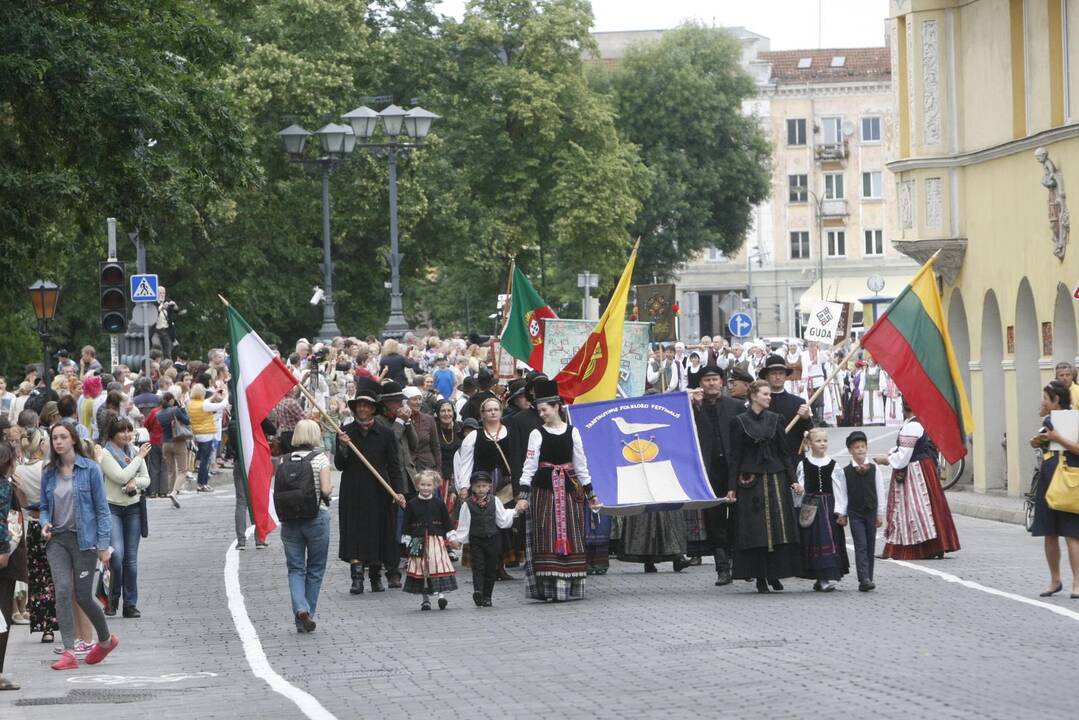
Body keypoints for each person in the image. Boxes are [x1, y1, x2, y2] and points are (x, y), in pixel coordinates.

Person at [39, 422, 119, 670]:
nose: (58, 442)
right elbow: (43, 507)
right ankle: (70, 652)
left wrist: (103, 546)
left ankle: (106, 640)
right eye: (54, 438)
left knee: (83, 596)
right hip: (57, 541)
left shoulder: (91, 470)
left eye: (63, 437)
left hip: (84, 541)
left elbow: (102, 511)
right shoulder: (49, 472)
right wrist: (44, 523)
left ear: (73, 439)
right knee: (62, 592)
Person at [516, 380, 598, 602]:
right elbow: (529, 466)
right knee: (547, 534)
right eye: (539, 410)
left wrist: (591, 495)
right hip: (545, 493)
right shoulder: (537, 434)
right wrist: (523, 496)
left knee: (572, 534)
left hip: (570, 492)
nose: (541, 414)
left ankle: (570, 586)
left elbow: (581, 466)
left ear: (556, 407)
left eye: (544, 410)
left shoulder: (573, 432)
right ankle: (550, 589)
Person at [728, 380, 803, 593]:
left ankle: (775, 574)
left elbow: (784, 454)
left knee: (779, 528)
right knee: (756, 530)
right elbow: (735, 456)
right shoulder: (739, 422)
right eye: (765, 394)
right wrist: (731, 487)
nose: (769, 397)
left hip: (776, 479)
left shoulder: (775, 420)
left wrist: (793, 480)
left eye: (769, 394)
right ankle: (760, 575)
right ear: (753, 396)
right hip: (751, 482)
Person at [335, 378, 406, 594]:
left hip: (379, 490)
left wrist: (398, 491)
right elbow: (340, 464)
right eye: (359, 406)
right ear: (355, 408)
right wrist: (342, 446)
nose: (363, 409)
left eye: (367, 406)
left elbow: (394, 465)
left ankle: (376, 577)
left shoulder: (385, 434)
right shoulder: (346, 432)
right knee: (356, 533)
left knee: (378, 532)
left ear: (373, 409)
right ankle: (357, 578)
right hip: (353, 490)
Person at [876, 401, 961, 560]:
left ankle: (917, 548)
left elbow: (903, 457)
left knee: (909, 508)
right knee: (928, 507)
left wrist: (886, 459)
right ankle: (934, 546)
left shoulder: (911, 426)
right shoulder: (920, 422)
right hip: (924, 468)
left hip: (915, 470)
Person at [275, 419, 332, 633]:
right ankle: (307, 612)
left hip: (290, 521)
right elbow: (326, 491)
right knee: (315, 569)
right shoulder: (320, 459)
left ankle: (300, 608)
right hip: (316, 518)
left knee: (295, 568)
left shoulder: (284, 460)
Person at [454, 396, 520, 578]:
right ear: (482, 414)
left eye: (496, 409)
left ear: (500, 411)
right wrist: (464, 487)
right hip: (482, 485)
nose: (493, 412)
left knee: (503, 526)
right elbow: (466, 463)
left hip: (506, 486)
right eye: (489, 410)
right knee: (484, 525)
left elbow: (517, 459)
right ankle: (485, 566)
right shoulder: (474, 436)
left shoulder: (510, 433)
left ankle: (501, 565)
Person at [691, 365, 745, 586]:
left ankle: (739, 564)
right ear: (701, 384)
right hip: (708, 470)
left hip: (734, 469)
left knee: (737, 517)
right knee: (714, 520)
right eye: (707, 380)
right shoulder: (693, 408)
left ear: (722, 382)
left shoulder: (737, 406)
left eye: (715, 379)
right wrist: (691, 404)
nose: (711, 383)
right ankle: (722, 567)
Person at [1029, 381, 1079, 597]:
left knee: (1071, 534)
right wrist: (1041, 440)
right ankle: (1055, 579)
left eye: (1046, 398)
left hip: (1068, 478)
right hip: (1048, 476)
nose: (1043, 401)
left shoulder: (1075, 419)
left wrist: (1058, 438)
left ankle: (1077, 583)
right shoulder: (1047, 421)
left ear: (1056, 400)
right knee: (1049, 533)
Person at [99, 418, 151, 617]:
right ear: (112, 433)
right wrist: (138, 458)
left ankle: (130, 604)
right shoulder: (105, 453)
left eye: (129, 431)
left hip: (133, 508)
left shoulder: (134, 451)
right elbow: (120, 476)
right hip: (112, 508)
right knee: (117, 555)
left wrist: (135, 483)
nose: (127, 435)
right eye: (122, 431)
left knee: (131, 559)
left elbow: (147, 479)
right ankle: (111, 598)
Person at [11, 427, 57, 643]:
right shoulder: (47, 468)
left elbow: (21, 503)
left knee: (38, 578)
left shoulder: (18, 471)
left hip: (31, 527)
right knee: (56, 574)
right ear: (41, 444)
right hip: (52, 525)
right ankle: (57, 621)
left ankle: (43, 624)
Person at [794, 428, 848, 592]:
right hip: (811, 507)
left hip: (829, 507)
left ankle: (824, 578)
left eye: (825, 440)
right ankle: (819, 577)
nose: (822, 443)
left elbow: (840, 490)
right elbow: (800, 486)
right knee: (814, 541)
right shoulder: (803, 464)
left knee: (828, 540)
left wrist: (841, 511)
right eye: (818, 441)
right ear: (809, 443)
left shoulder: (833, 465)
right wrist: (798, 500)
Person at [834, 431, 887, 592]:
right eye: (856, 447)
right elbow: (842, 494)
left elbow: (880, 490)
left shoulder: (874, 468)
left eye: (863, 447)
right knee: (861, 545)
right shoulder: (845, 472)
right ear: (850, 450)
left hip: (871, 511)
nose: (860, 450)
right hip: (855, 512)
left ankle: (868, 577)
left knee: (870, 545)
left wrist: (879, 512)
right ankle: (863, 578)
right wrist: (841, 513)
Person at [401, 470, 456, 610]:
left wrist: (451, 536)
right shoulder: (412, 504)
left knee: (438, 565)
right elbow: (406, 523)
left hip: (435, 540)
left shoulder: (439, 503)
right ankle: (425, 600)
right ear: (417, 485)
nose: (425, 487)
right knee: (421, 569)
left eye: (429, 485)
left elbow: (446, 522)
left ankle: (441, 596)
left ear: (435, 486)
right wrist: (406, 539)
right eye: (423, 484)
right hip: (417, 541)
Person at [0, 442, 28, 690]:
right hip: (3, 560)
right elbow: (3, 519)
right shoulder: (3, 487)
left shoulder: (8, 486)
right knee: (1, 617)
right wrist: (3, 551)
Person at [759, 353, 812, 461]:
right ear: (767, 376)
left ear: (785, 376)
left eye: (781, 373)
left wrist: (806, 419)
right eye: (774, 373)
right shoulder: (759, 403)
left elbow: (810, 433)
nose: (778, 377)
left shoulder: (798, 402)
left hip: (793, 457)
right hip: (768, 459)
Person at [188, 383, 228, 492]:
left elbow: (205, 402)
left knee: (202, 459)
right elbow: (222, 405)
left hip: (198, 433)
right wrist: (226, 395)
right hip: (207, 434)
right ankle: (202, 483)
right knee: (205, 461)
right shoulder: (204, 405)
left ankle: (201, 483)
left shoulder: (191, 403)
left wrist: (213, 396)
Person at [156, 388, 188, 507]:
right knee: (182, 470)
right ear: (171, 401)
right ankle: (174, 493)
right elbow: (187, 421)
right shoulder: (176, 410)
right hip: (178, 441)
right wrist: (183, 407)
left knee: (171, 471)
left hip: (165, 443)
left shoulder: (158, 414)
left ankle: (171, 492)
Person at [434, 400, 462, 506]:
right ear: (437, 413)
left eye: (449, 410)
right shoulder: (434, 429)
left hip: (459, 475)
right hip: (440, 476)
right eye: (443, 411)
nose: (447, 414)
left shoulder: (460, 427)